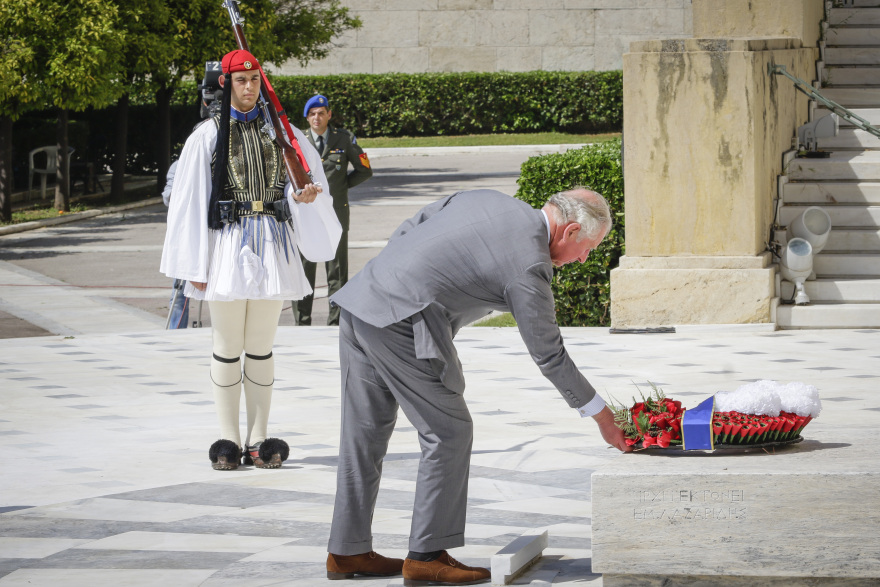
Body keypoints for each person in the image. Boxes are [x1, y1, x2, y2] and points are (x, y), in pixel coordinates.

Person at [324, 187, 631, 584]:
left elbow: (412, 227)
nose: (583, 258)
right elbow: (549, 354)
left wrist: (399, 278)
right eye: (587, 247)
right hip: (401, 321)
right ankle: (426, 556)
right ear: (570, 230)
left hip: (363, 299)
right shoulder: (528, 265)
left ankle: (347, 552)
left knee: (362, 436)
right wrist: (603, 418)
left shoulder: (488, 199)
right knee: (448, 432)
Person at [160, 49, 341, 471]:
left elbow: (306, 184)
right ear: (227, 84)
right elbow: (188, 204)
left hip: (271, 244)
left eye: (255, 81)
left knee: (260, 348)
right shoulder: (207, 136)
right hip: (226, 245)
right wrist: (194, 267)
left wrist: (305, 196)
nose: (248, 88)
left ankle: (260, 441)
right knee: (226, 348)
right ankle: (228, 438)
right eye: (241, 81)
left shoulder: (282, 134)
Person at [293, 94, 373, 326]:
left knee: (337, 270)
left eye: (320, 113)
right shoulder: (297, 140)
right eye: (311, 114)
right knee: (305, 268)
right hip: (306, 215)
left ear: (329, 115)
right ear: (307, 118)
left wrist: (339, 188)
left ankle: (336, 322)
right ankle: (302, 322)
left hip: (335, 213)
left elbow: (365, 170)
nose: (316, 117)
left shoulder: (344, 139)